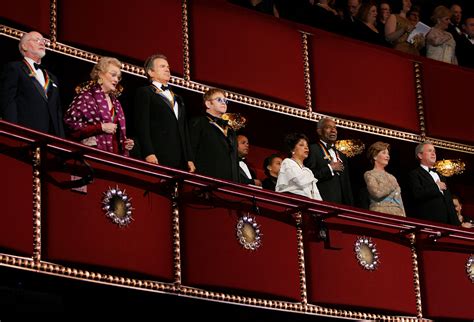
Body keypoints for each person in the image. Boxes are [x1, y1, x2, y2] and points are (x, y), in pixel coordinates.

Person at [134, 54, 195, 171]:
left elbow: (184, 130)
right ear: (151, 72)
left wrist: (189, 158)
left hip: (180, 159)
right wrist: (148, 152)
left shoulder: (178, 98)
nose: (167, 69)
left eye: (168, 67)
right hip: (158, 154)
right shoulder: (145, 92)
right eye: (162, 66)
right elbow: (142, 125)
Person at [0, 31, 65, 137]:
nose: (42, 43)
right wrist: (12, 131)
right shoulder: (14, 68)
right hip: (26, 133)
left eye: (43, 40)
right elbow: (8, 102)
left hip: (51, 138)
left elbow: (57, 112)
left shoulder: (52, 78)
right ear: (24, 46)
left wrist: (61, 140)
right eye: (37, 40)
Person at [64, 57, 134, 155]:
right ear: (100, 74)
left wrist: (123, 144)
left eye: (118, 77)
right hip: (90, 155)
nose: (116, 79)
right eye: (113, 75)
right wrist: (100, 127)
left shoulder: (116, 103)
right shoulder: (86, 96)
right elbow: (70, 125)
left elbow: (115, 135)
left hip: (113, 158)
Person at [190, 88, 239, 182]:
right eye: (219, 100)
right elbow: (192, 149)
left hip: (230, 183)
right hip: (206, 180)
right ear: (208, 104)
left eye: (225, 100)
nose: (223, 103)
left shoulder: (230, 130)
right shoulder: (198, 123)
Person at [407, 141, 460, 225]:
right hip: (429, 223)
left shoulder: (441, 175)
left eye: (434, 151)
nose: (433, 153)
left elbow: (449, 202)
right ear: (420, 155)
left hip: (448, 224)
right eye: (429, 151)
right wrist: (436, 187)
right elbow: (417, 194)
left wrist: (457, 225)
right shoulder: (414, 174)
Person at [305, 117, 353, 205]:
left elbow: (347, 185)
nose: (333, 130)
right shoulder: (313, 149)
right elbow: (309, 176)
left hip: (342, 206)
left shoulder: (342, 156)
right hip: (322, 203)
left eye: (335, 128)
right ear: (319, 131)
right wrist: (330, 168)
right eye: (328, 127)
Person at [364, 142, 405, 217]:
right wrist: (391, 186)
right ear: (375, 156)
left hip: (397, 216)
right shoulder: (370, 174)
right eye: (384, 153)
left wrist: (404, 218)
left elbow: (399, 201)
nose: (387, 156)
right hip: (380, 214)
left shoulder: (392, 177)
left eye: (388, 154)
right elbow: (376, 193)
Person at [276, 133, 322, 200]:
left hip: (308, 204)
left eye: (307, 146)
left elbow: (315, 193)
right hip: (292, 202)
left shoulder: (308, 171)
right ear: (292, 149)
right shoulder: (288, 162)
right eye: (301, 145)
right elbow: (300, 181)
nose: (306, 147)